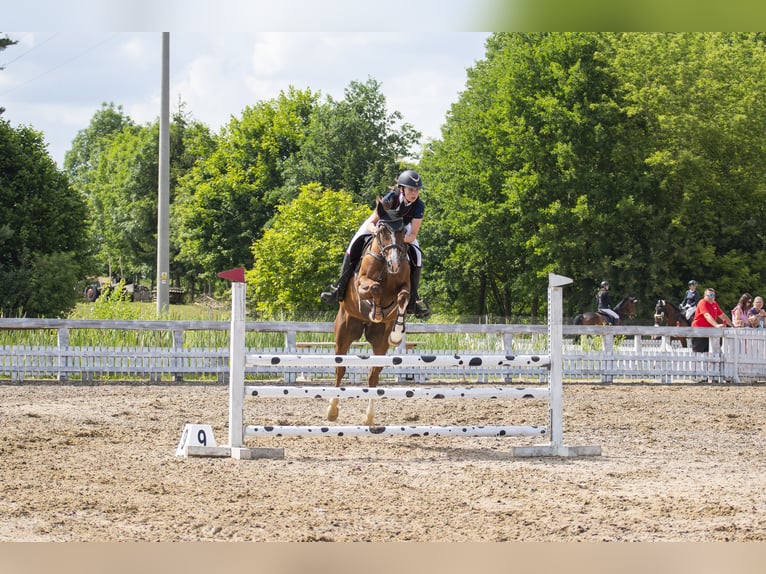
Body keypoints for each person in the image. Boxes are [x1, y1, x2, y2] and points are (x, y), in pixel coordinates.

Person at [320, 169, 430, 318]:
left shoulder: (419, 206)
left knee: (417, 256)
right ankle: (339, 288)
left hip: (402, 231)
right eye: (411, 189)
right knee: (354, 244)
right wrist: (377, 231)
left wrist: (395, 240)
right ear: (402, 188)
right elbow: (372, 222)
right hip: (381, 225)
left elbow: (412, 235)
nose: (414, 193)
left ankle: (413, 300)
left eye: (417, 190)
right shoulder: (391, 198)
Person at [690, 287, 733, 353]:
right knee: (697, 354)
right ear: (704, 296)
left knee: (708, 354)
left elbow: (722, 315)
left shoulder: (714, 304)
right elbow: (707, 315)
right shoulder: (702, 302)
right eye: (709, 295)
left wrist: (732, 325)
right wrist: (716, 325)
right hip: (699, 332)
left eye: (713, 295)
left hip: (709, 332)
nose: (711, 297)